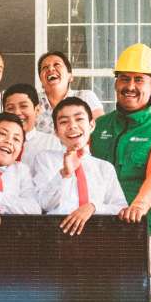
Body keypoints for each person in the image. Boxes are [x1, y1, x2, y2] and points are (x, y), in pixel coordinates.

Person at [89, 44, 151, 233]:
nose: (130, 86)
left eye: (139, 80)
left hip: (139, 226)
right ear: (116, 83)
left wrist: (139, 206)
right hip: (95, 223)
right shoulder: (98, 125)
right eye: (124, 79)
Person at [30, 96, 128, 235]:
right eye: (64, 122)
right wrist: (64, 174)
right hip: (56, 234)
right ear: (56, 132)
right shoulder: (45, 159)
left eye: (79, 119)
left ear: (92, 125)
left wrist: (93, 207)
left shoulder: (104, 167)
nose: (72, 126)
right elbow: (43, 204)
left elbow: (120, 207)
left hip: (99, 236)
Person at [34, 50, 104, 133]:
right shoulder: (33, 102)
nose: (50, 69)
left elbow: (102, 131)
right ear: (41, 81)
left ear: (70, 77)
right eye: (45, 67)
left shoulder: (85, 97)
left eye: (57, 64)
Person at [1, 82, 62, 161]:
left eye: (23, 106)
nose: (17, 112)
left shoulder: (50, 143)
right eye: (10, 108)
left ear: (37, 110)